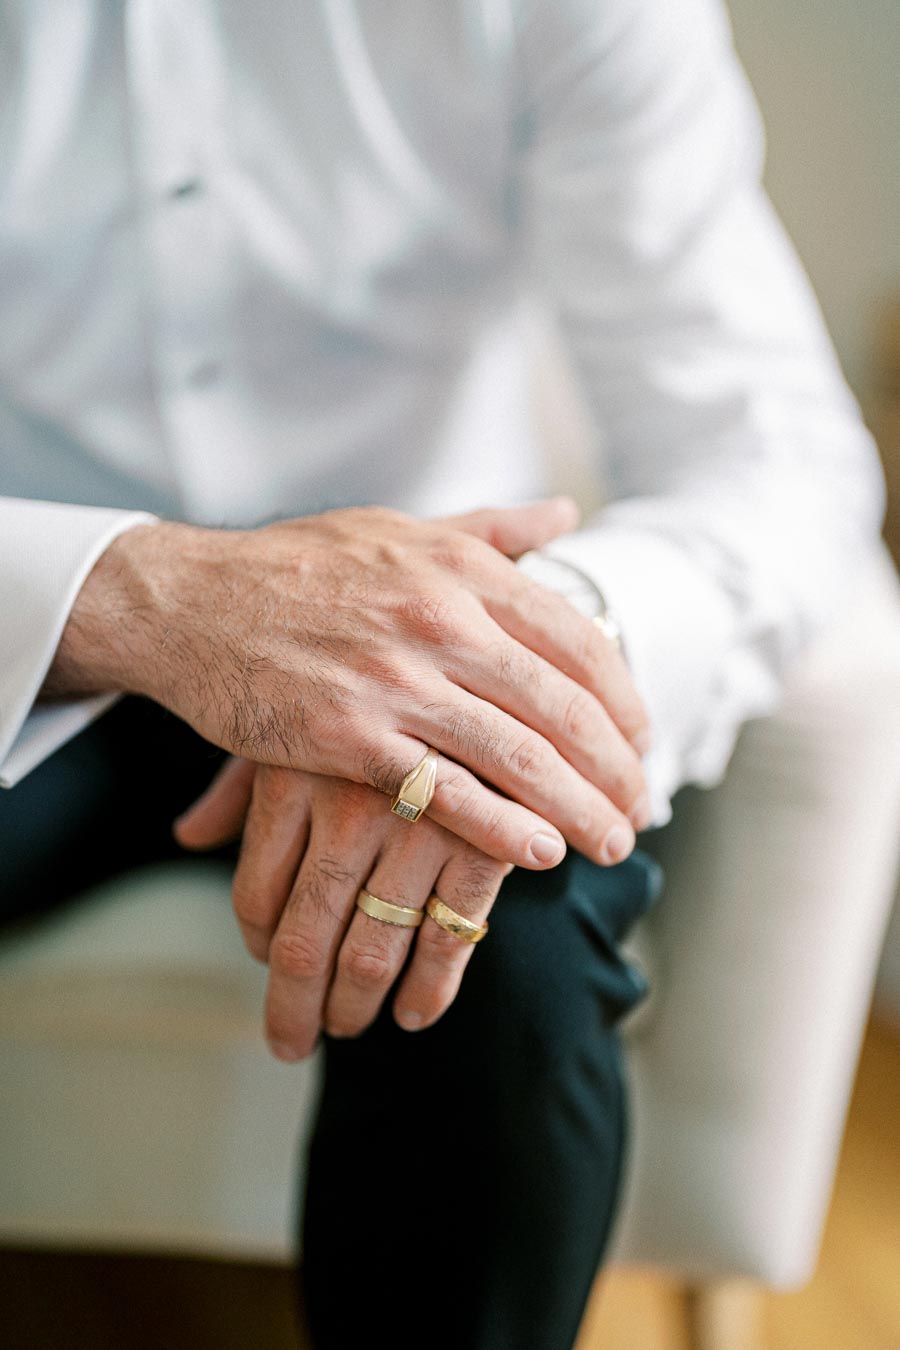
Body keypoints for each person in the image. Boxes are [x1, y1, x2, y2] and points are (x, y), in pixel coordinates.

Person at [0, 1, 884, 1347]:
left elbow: (773, 456)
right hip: (38, 634)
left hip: (427, 631)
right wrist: (140, 591)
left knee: (505, 927)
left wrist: (515, 650)